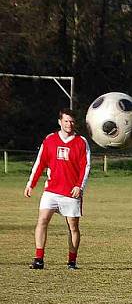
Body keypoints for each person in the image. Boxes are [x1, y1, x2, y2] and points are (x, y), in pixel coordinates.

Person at [24, 108, 91, 270]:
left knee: (73, 227)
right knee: (42, 221)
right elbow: (40, 163)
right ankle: (39, 259)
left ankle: (72, 262)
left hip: (71, 193)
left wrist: (79, 187)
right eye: (66, 121)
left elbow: (85, 166)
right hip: (51, 191)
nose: (69, 124)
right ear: (60, 122)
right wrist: (30, 184)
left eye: (72, 121)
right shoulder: (50, 140)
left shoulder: (81, 142)